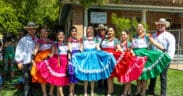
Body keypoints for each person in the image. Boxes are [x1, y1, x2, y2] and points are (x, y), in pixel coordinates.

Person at [100, 27, 146, 96]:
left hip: (127, 61)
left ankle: (126, 92)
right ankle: (122, 91)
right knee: (118, 75)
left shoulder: (129, 44)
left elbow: (132, 52)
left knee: (127, 76)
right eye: (122, 34)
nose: (123, 36)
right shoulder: (120, 43)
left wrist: (133, 56)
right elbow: (118, 50)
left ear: (127, 36)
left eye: (124, 34)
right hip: (120, 61)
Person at [71, 25, 116, 96]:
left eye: (91, 29)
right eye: (88, 29)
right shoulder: (83, 38)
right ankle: (85, 91)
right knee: (86, 75)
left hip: (94, 57)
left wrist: (104, 53)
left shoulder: (96, 39)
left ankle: (92, 91)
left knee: (93, 75)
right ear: (86, 31)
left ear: (93, 31)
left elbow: (98, 47)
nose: (89, 30)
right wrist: (78, 54)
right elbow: (81, 48)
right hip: (85, 57)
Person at [132, 24, 171, 96]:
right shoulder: (134, 36)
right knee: (137, 74)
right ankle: (138, 90)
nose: (139, 28)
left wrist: (163, 49)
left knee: (144, 75)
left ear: (143, 29)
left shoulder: (147, 35)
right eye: (138, 26)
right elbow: (132, 46)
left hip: (143, 56)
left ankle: (143, 91)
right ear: (136, 29)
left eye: (141, 27)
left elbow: (154, 43)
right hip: (135, 57)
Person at [36, 30, 70, 96]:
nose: (61, 36)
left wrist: (69, 60)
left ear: (64, 36)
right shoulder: (55, 43)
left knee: (61, 79)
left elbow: (68, 52)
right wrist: (45, 60)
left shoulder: (66, 43)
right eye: (59, 34)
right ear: (57, 36)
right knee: (59, 78)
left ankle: (58, 94)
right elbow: (52, 53)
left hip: (65, 62)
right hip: (57, 62)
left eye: (62, 34)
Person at [147, 18, 175, 96]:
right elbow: (150, 46)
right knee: (153, 75)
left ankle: (163, 93)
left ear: (165, 26)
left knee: (163, 76)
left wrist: (168, 59)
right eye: (159, 24)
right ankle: (151, 90)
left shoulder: (169, 36)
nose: (160, 26)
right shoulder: (153, 35)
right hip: (154, 58)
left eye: (162, 24)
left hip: (164, 59)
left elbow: (171, 49)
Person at [15, 22, 38, 96]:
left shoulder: (37, 39)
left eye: (33, 29)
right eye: (30, 29)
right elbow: (19, 50)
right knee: (26, 81)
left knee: (32, 80)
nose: (32, 30)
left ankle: (30, 94)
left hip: (34, 63)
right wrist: (19, 61)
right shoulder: (23, 39)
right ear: (27, 30)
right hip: (25, 62)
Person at [31, 27, 54, 96]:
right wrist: (32, 55)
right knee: (42, 77)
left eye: (46, 31)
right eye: (43, 32)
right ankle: (44, 93)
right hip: (41, 59)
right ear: (40, 34)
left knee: (52, 75)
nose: (45, 33)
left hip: (50, 58)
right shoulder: (39, 41)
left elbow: (53, 50)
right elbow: (36, 49)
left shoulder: (51, 41)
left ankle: (51, 92)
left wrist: (50, 56)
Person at [67, 26, 82, 96]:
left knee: (75, 75)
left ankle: (73, 91)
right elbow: (69, 50)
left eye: (75, 31)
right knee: (72, 75)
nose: (74, 32)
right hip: (72, 57)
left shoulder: (79, 40)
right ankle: (70, 92)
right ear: (70, 32)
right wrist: (70, 59)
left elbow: (81, 49)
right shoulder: (69, 39)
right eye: (72, 31)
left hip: (78, 58)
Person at [95, 24, 108, 93]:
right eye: (100, 30)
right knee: (100, 70)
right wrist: (101, 51)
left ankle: (106, 86)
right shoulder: (97, 38)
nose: (101, 31)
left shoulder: (107, 37)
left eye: (102, 29)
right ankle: (99, 86)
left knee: (106, 70)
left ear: (105, 30)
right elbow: (96, 46)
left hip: (106, 56)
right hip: (99, 55)